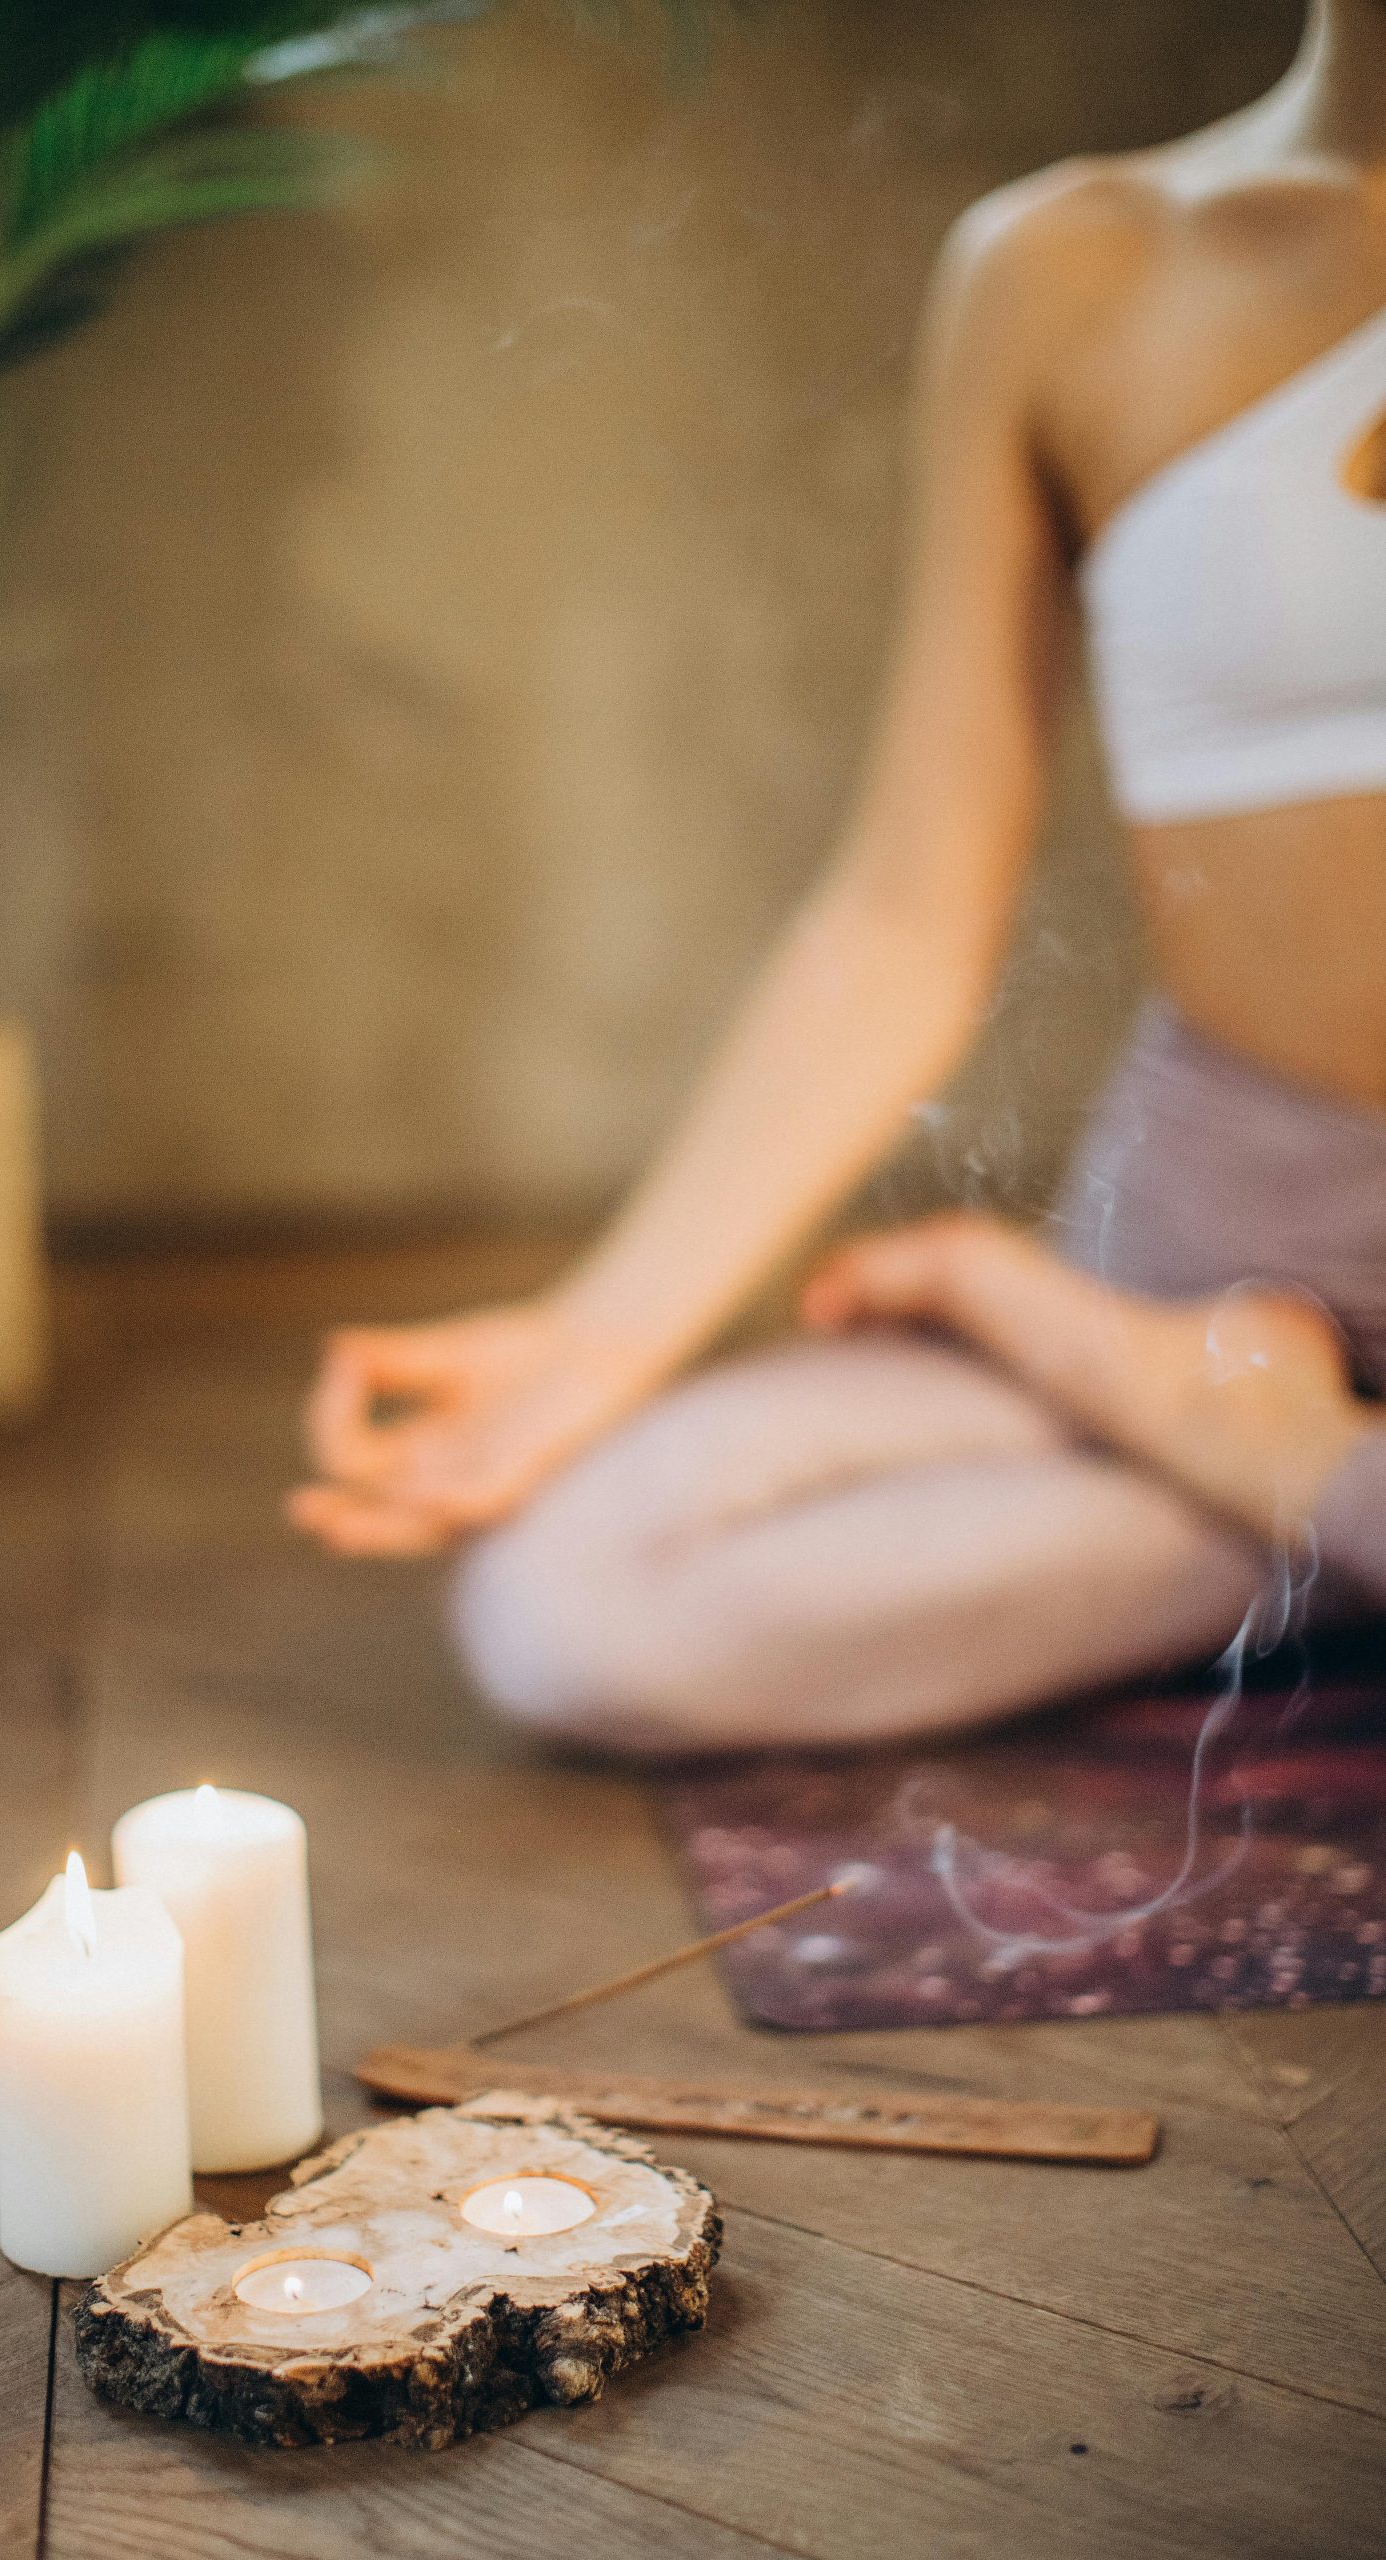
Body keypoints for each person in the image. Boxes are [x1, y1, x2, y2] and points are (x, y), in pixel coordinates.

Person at [290, 0, 1386, 1753]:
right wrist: (600, 1333)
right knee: (579, 1604)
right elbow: (905, 907)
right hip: (1205, 1263)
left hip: (1192, 1377)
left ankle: (1291, 1478)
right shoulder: (1072, 270)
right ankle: (1288, 1490)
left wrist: (1290, 1450)